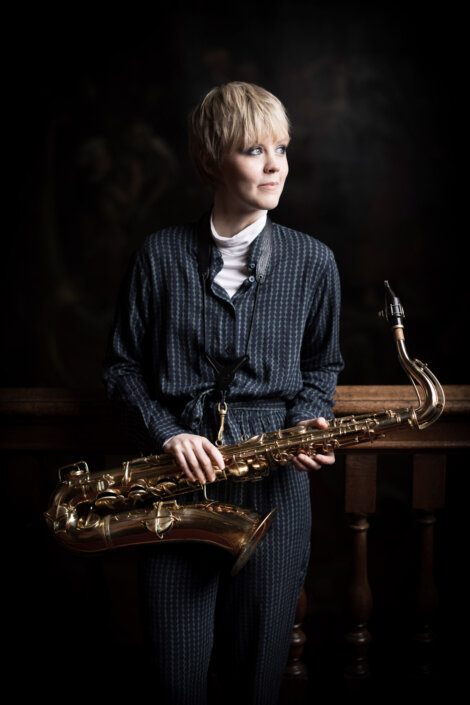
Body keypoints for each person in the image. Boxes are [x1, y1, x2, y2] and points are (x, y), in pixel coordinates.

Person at [102, 81, 344, 705]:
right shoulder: (158, 257)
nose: (274, 166)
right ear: (211, 160)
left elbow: (322, 365)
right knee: (174, 681)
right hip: (177, 483)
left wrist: (312, 418)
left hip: (275, 487)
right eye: (253, 150)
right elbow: (122, 369)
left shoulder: (315, 262)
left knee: (256, 682)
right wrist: (168, 432)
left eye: (282, 149)